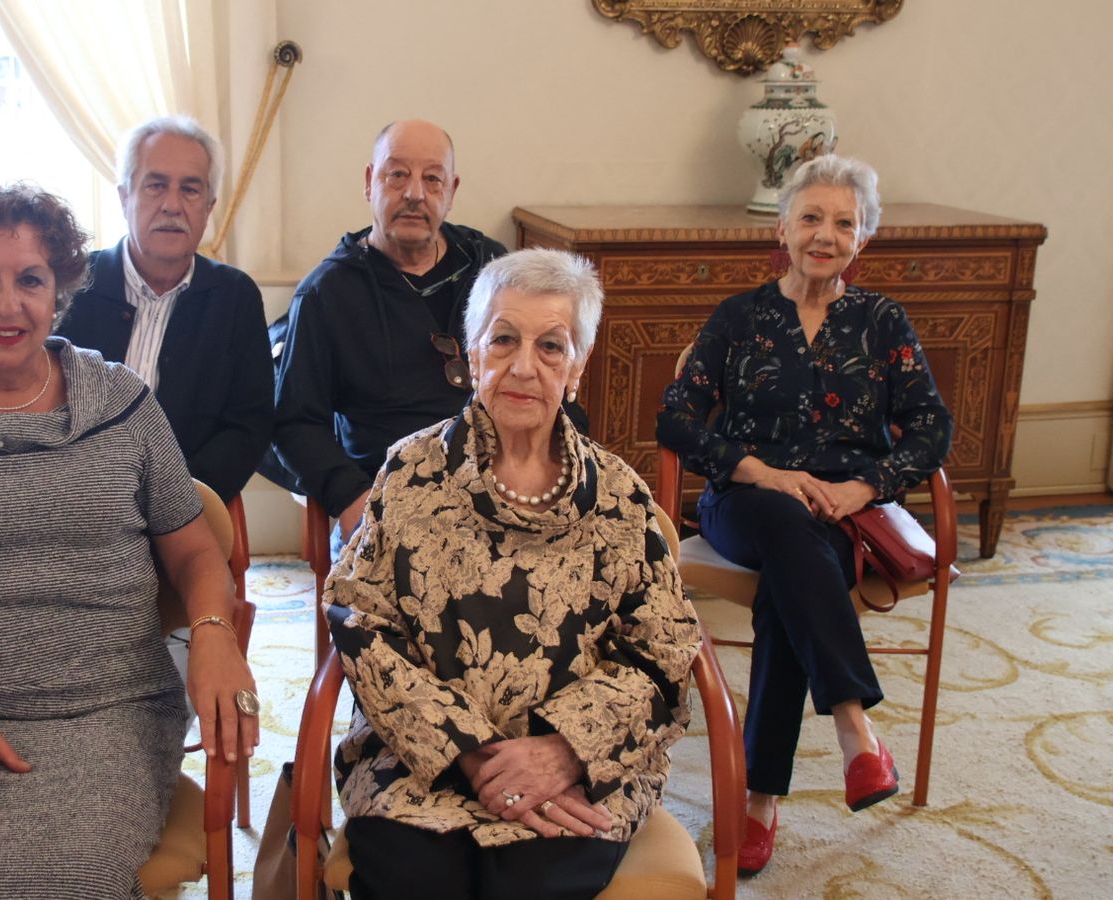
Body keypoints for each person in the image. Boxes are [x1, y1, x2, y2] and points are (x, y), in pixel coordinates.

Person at [0, 179, 259, 898]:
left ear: (58, 291)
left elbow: (193, 551)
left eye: (30, 280)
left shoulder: (122, 404)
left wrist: (214, 631)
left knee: (78, 872)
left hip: (113, 705)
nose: (8, 304)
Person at [323, 248, 702, 899]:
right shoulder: (410, 474)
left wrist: (561, 751)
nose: (523, 366)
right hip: (422, 763)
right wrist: (470, 750)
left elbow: (663, 647)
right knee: (414, 881)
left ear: (577, 367)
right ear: (472, 356)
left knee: (535, 884)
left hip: (577, 772)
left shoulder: (619, 496)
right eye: (503, 340)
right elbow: (360, 619)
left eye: (551, 346)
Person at [656, 155, 953, 876]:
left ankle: (759, 799)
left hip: (837, 515)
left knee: (793, 578)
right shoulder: (740, 317)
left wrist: (865, 486)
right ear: (784, 227)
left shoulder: (883, 322)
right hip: (742, 502)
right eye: (811, 218)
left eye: (844, 223)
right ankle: (854, 725)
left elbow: (931, 430)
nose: (825, 234)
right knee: (787, 527)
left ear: (864, 239)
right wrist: (763, 472)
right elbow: (678, 419)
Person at [272, 119, 507, 549]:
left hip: (494, 493)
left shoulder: (492, 271)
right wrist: (350, 497)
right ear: (369, 182)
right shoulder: (327, 292)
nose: (414, 193)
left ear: (451, 191)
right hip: (385, 501)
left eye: (432, 178)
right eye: (397, 174)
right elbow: (296, 423)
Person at [55, 116, 272, 505]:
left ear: (209, 207)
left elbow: (248, 424)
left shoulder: (234, 296)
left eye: (190, 190)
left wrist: (175, 500)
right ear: (125, 197)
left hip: (186, 505)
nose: (172, 205)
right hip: (74, 501)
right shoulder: (71, 284)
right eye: (156, 186)